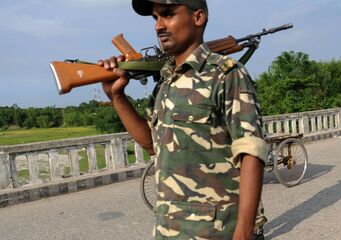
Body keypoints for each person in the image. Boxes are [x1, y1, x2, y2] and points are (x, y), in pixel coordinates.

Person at [98, 0, 268, 239]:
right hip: (170, 229)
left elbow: (252, 152)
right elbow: (152, 144)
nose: (158, 26)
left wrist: (243, 233)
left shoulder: (226, 74)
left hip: (216, 231)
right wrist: (117, 96)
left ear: (198, 18)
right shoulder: (167, 81)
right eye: (155, 18)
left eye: (167, 15)